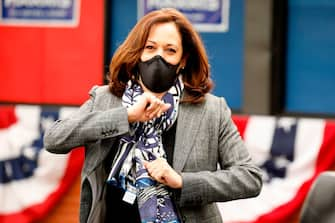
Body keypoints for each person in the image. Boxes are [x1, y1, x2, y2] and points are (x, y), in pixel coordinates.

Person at [44, 8, 262, 223]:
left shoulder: (211, 110)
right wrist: (125, 116)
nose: (159, 58)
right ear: (138, 52)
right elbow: (54, 139)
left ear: (183, 59)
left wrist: (181, 181)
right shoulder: (106, 99)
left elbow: (249, 178)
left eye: (170, 50)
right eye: (150, 47)